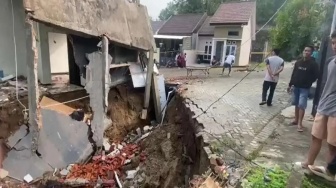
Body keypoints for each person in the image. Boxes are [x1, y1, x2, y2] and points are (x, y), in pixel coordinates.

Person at [297, 32, 336, 181]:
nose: (334, 46)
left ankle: (330, 172)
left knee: (333, 143)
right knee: (316, 136)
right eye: (333, 43)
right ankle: (309, 162)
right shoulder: (331, 61)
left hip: (335, 110)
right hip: (324, 104)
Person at [288, 46, 319, 132]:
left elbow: (316, 75)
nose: (306, 52)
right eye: (305, 50)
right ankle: (296, 120)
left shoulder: (313, 64)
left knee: (302, 105)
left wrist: (308, 82)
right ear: (303, 51)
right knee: (296, 103)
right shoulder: (298, 63)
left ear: (311, 53)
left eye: (308, 51)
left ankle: (300, 124)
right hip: (296, 86)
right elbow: (294, 74)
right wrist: (290, 84)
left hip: (305, 88)